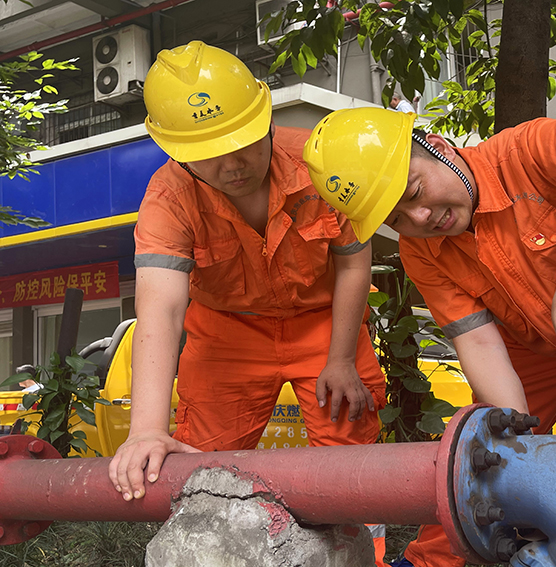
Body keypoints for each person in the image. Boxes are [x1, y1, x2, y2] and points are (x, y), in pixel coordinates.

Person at [304, 108, 556, 567]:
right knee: (477, 465)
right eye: (397, 218)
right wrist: (520, 453)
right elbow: (479, 342)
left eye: (415, 191)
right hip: (537, 351)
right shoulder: (421, 250)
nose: (420, 217)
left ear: (438, 146)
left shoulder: (526, 151)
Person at [107, 42, 387, 563]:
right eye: (207, 154)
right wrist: (147, 430)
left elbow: (353, 260)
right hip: (226, 334)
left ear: (264, 120)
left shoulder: (320, 163)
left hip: (324, 325)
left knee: (352, 467)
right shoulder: (168, 199)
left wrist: (342, 358)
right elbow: (162, 310)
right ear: (175, 151)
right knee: (201, 470)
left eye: (242, 144)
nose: (232, 165)